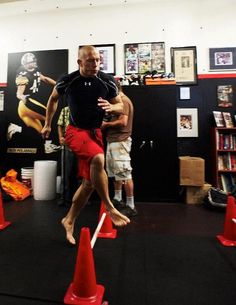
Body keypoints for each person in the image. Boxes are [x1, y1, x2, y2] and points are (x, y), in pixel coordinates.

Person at [41, 45, 130, 245]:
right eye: (90, 60)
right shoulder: (68, 80)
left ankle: (69, 219)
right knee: (98, 160)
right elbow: (53, 100)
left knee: (90, 183)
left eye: (98, 60)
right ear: (80, 62)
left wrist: (112, 106)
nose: (95, 64)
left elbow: (121, 106)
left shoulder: (106, 80)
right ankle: (109, 207)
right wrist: (47, 124)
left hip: (95, 133)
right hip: (75, 132)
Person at [101, 81, 137, 217]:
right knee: (115, 173)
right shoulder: (116, 103)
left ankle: (131, 205)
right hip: (112, 140)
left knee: (124, 173)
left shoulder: (124, 101)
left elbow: (123, 122)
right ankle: (118, 199)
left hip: (120, 141)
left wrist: (106, 125)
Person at [16, 52, 56, 134]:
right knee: (49, 117)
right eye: (32, 62)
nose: (34, 63)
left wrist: (58, 84)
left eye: (34, 61)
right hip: (26, 104)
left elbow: (45, 79)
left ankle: (16, 128)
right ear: (26, 64)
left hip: (28, 106)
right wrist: (23, 98)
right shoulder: (23, 76)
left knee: (40, 130)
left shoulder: (35, 71)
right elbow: (19, 94)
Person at [57, 106, 80, 204]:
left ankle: (81, 197)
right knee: (65, 172)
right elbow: (60, 124)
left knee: (81, 173)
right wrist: (61, 137)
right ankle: (63, 196)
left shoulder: (85, 109)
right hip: (68, 143)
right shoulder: (65, 110)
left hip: (81, 144)